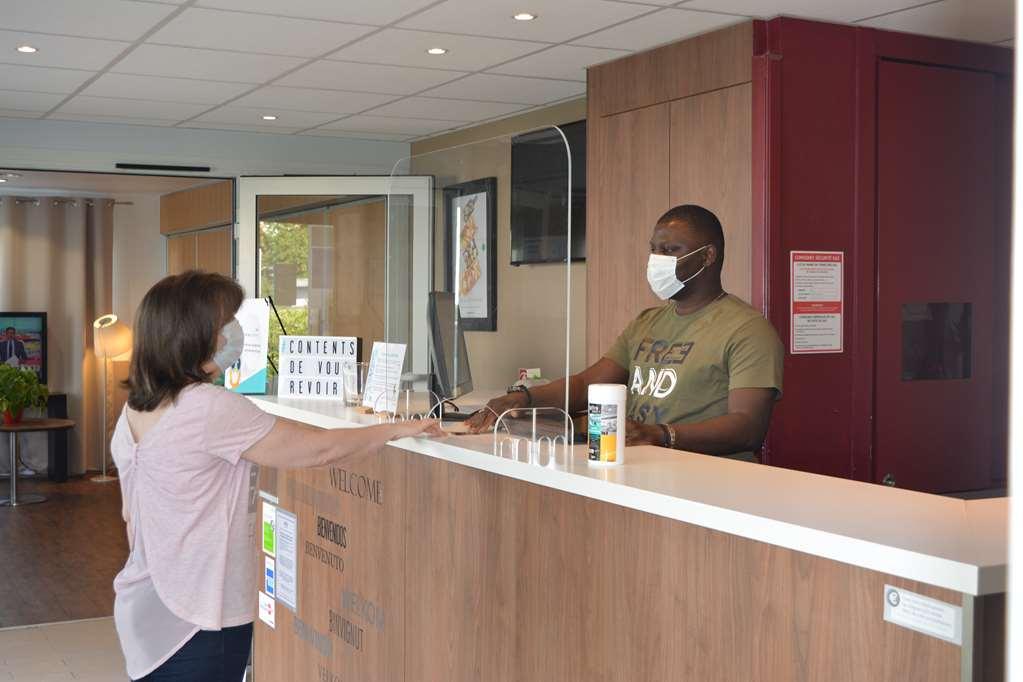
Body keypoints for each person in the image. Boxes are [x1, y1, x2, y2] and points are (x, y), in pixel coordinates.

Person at [111, 271, 441, 681]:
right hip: (195, 620)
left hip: (145, 607)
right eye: (222, 322)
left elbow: (130, 516)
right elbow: (321, 450)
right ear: (191, 333)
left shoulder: (134, 411)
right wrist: (397, 428)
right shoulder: (208, 408)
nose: (232, 331)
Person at [467, 204, 784, 461]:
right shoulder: (647, 321)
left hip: (708, 479)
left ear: (707, 256)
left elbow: (748, 426)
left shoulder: (747, 329)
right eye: (654, 249)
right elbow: (586, 384)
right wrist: (521, 400)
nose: (657, 260)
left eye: (670, 250)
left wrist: (660, 434)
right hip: (641, 466)